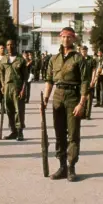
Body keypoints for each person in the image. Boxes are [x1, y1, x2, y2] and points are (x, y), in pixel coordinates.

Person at [43, 27, 89, 182]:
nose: (65, 39)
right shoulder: (53, 59)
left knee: (73, 134)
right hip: (58, 96)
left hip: (73, 96)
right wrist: (46, 98)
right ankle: (62, 166)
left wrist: (81, 103)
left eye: (69, 37)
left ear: (74, 39)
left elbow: (85, 82)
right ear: (60, 38)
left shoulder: (79, 59)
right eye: (63, 36)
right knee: (59, 133)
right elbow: (49, 79)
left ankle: (71, 167)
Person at [1, 39, 28, 141]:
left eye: (12, 44)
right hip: (7, 87)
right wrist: (3, 85)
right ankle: (13, 131)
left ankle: (20, 132)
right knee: (9, 110)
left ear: (15, 46)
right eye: (8, 45)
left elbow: (25, 77)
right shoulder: (4, 59)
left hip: (17, 87)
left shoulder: (21, 60)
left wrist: (23, 90)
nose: (9, 46)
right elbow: (2, 73)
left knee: (19, 110)